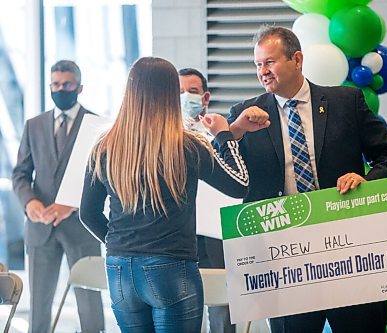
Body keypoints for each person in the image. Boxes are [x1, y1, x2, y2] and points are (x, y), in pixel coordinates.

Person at [227, 26, 387, 333]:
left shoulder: (345, 103)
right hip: (285, 260)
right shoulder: (244, 115)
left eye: (269, 62)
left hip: (351, 254)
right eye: (258, 65)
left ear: (297, 60)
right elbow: (225, 179)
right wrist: (234, 132)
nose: (263, 72)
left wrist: (367, 179)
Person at [79, 57, 249, 332]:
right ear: (171, 95)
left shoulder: (105, 145)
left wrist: (120, 244)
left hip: (119, 268)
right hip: (171, 267)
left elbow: (87, 213)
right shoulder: (189, 146)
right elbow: (239, 184)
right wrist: (224, 135)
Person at [11, 60, 104, 333]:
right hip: (40, 228)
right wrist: (30, 202)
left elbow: (101, 175)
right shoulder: (34, 125)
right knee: (39, 303)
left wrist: (72, 204)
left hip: (82, 226)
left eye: (67, 84)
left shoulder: (96, 125)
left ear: (79, 87)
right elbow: (20, 173)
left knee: (89, 302)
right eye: (55, 84)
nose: (60, 89)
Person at [179, 67, 236, 333]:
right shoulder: (161, 139)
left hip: (215, 236)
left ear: (205, 97)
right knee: (180, 312)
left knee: (222, 314)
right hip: (178, 238)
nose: (185, 97)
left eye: (192, 91)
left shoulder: (221, 134)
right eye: (179, 92)